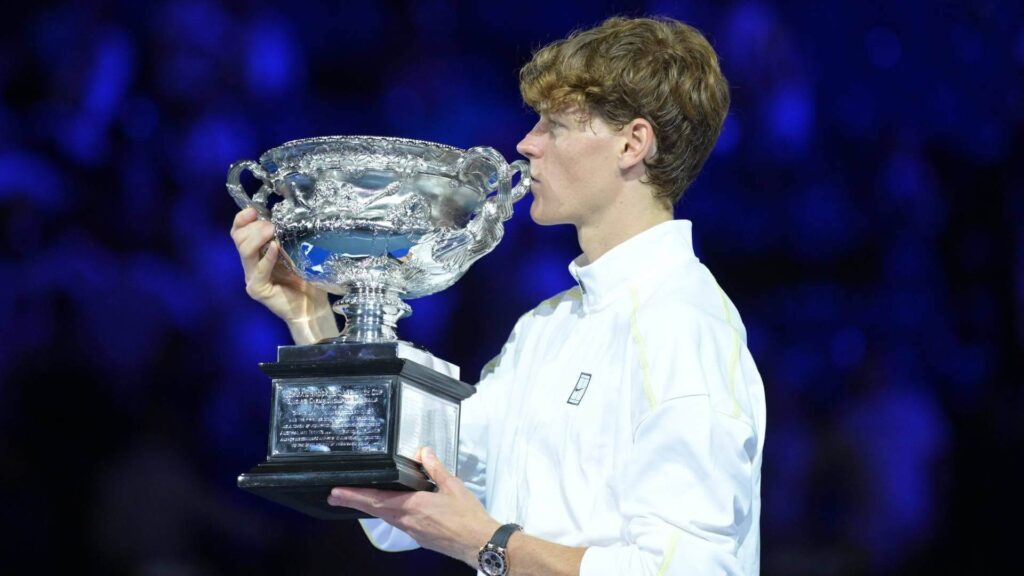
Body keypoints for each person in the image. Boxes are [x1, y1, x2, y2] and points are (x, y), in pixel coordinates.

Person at [231, 16, 765, 576]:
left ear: (632, 143)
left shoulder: (683, 326)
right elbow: (403, 482)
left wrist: (489, 544)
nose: (526, 143)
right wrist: (312, 318)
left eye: (555, 125)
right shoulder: (543, 330)